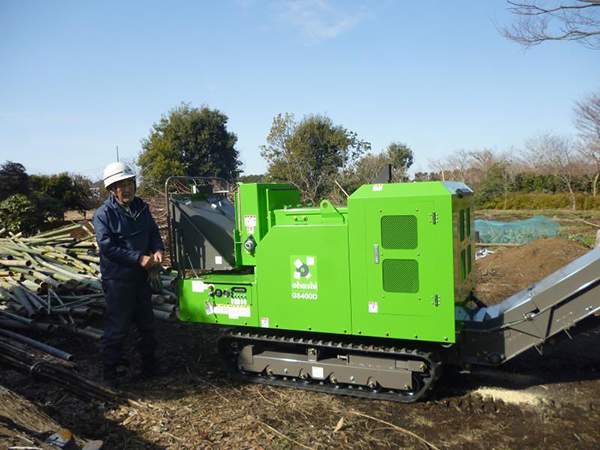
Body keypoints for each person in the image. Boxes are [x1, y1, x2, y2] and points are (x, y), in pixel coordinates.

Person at [92, 161, 167, 388]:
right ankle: (110, 374)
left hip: (140, 278)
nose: (127, 189)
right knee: (118, 327)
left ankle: (149, 367)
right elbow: (107, 247)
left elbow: (153, 231)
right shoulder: (103, 215)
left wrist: (158, 249)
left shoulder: (141, 207)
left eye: (129, 183)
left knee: (147, 324)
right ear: (111, 190)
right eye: (120, 185)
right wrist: (138, 258)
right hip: (118, 280)